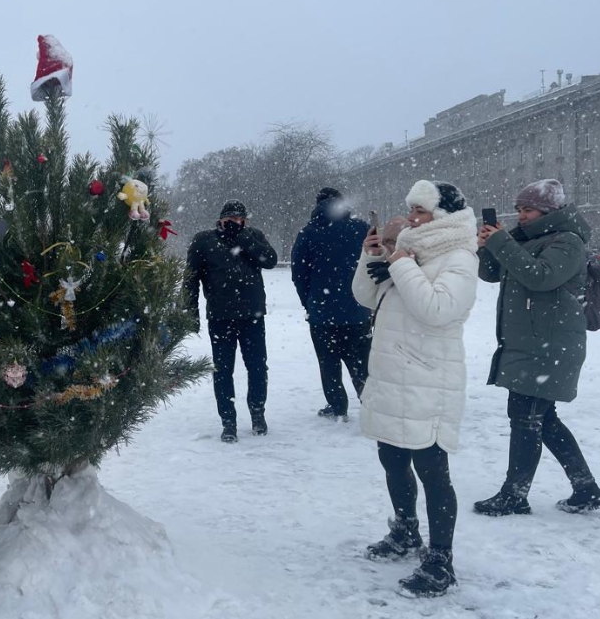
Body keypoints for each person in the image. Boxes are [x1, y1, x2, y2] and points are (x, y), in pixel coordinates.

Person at [351, 180, 478, 598]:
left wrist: (401, 263)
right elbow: (367, 298)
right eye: (411, 210)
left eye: (420, 211)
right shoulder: (410, 249)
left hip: (428, 379)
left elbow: (438, 309)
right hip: (391, 373)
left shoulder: (459, 256)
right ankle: (405, 530)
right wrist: (371, 259)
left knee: (432, 470)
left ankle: (441, 560)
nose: (412, 217)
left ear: (442, 215)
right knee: (391, 456)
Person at [473, 179, 600, 516]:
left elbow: (540, 276)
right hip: (532, 343)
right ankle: (586, 488)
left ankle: (514, 495)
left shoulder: (567, 242)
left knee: (526, 419)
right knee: (542, 419)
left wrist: (503, 242)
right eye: (519, 209)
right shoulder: (528, 240)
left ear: (549, 211)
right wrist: (487, 246)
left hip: (549, 346)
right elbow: (492, 275)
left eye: (528, 209)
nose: (521, 215)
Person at [185, 199, 279, 443]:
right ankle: (228, 422)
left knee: (258, 367)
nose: (235, 223)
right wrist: (189, 312)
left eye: (239, 220)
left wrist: (245, 238)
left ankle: (258, 413)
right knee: (222, 371)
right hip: (220, 316)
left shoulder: (253, 236)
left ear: (245, 220)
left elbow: (269, 260)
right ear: (220, 219)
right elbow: (190, 279)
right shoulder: (204, 240)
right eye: (230, 220)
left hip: (252, 315)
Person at [290, 187, 372, 421]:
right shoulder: (362, 229)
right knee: (362, 365)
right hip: (358, 310)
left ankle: (337, 406)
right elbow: (373, 264)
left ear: (318, 205)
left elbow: (299, 273)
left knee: (329, 364)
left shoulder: (308, 232)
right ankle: (371, 405)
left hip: (322, 314)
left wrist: (310, 301)